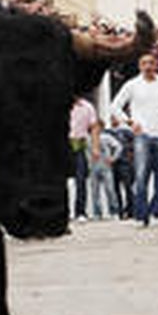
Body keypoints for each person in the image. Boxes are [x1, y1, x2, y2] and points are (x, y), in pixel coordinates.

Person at [108, 53, 158, 227]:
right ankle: (141, 216)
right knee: (141, 176)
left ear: (156, 65)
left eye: (151, 63)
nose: (148, 66)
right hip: (143, 135)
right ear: (140, 66)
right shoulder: (132, 85)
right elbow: (114, 106)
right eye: (144, 63)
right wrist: (129, 122)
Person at [68, 94, 99, 222]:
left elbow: (94, 128)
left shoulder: (88, 107)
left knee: (81, 179)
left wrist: (96, 147)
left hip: (79, 145)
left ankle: (80, 212)